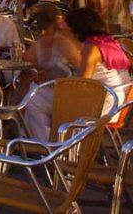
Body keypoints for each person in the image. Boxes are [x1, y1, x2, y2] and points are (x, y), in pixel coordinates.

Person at [25, 8, 131, 141]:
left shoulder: (92, 48)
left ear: (77, 29)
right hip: (115, 100)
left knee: (35, 99)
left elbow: (81, 85)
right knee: (39, 95)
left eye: (69, 30)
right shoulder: (106, 41)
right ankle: (52, 143)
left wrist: (55, 84)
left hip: (104, 103)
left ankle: (49, 145)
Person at [13, 4, 79, 103]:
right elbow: (80, 67)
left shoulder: (40, 45)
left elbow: (24, 62)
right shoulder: (65, 42)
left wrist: (37, 73)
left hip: (60, 94)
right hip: (59, 93)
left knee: (30, 98)